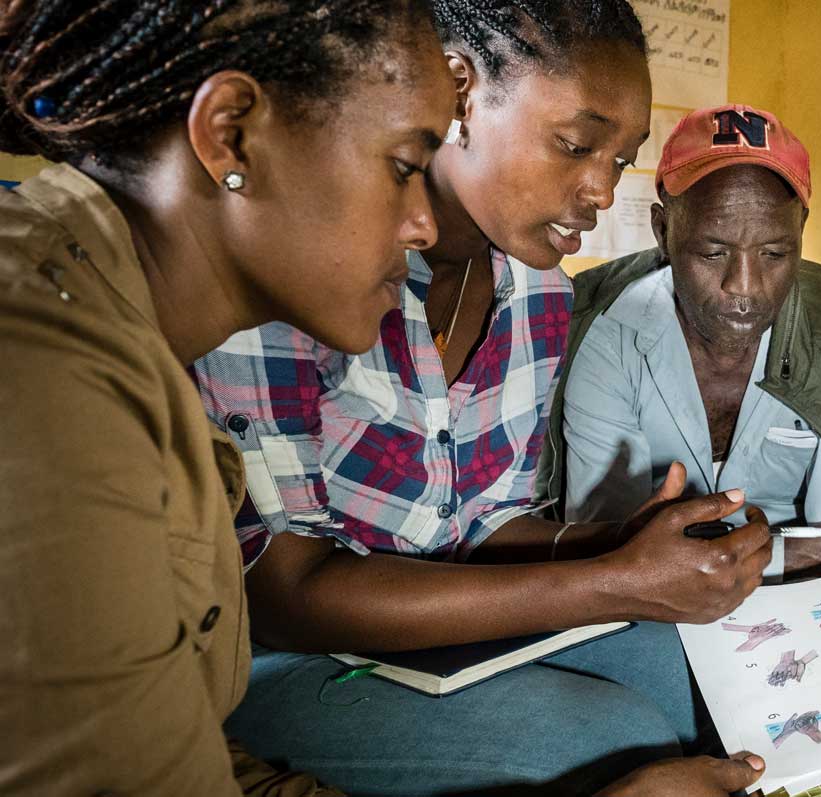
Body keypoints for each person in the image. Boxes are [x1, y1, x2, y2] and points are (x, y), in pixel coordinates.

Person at [190, 3, 772, 795]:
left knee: (667, 657)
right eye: (575, 145)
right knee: (609, 737)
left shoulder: (537, 295)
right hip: (285, 655)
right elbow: (283, 594)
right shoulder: (305, 268)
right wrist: (608, 579)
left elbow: (481, 523)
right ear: (460, 92)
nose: (601, 188)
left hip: (432, 633)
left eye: (621, 158)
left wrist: (615, 547)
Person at [0, 1, 451, 793]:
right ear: (231, 133)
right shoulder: (47, 377)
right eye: (405, 165)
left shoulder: (127, 328)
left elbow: (190, 754)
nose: (422, 225)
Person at [545, 104, 821, 580]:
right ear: (663, 232)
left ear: (800, 231)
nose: (745, 286)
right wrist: (807, 547)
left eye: (775, 253)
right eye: (713, 252)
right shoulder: (609, 336)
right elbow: (615, 555)